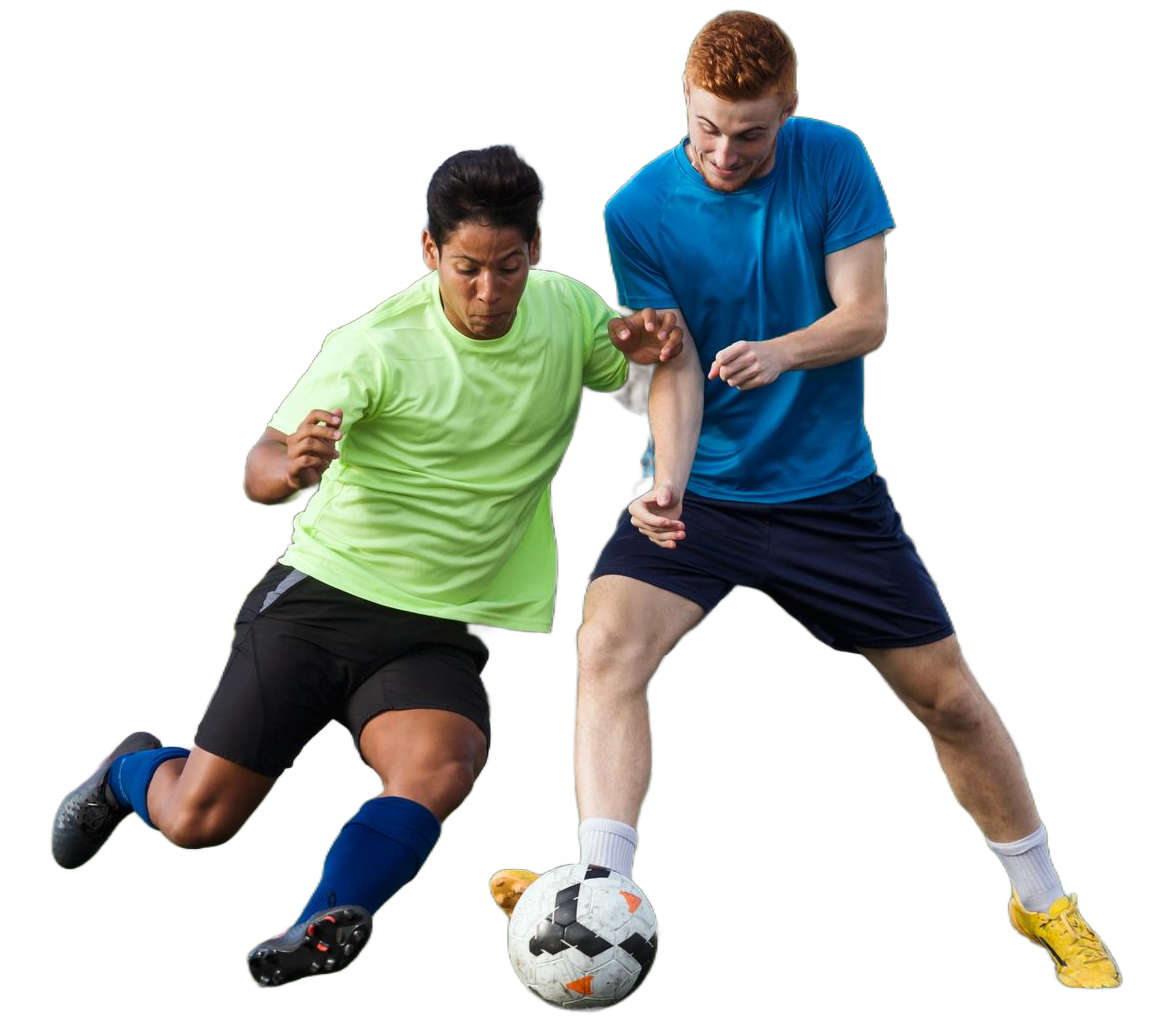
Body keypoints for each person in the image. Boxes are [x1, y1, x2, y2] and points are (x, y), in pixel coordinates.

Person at [490, 14, 1121, 991]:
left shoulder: (835, 160)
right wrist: (664, 483)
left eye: (749, 132)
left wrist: (782, 350)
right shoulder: (635, 208)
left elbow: (866, 316)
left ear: (788, 106)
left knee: (949, 699)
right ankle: (603, 891)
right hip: (703, 489)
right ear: (684, 104)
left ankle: (1042, 901)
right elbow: (673, 362)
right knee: (608, 648)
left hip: (830, 496)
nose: (724, 152)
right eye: (706, 127)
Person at [49, 141, 684, 988]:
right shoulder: (378, 345)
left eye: (509, 266)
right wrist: (296, 467)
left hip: (438, 631)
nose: (489, 292)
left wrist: (653, 350)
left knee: (443, 765)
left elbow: (637, 393)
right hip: (321, 605)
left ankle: (322, 920)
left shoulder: (567, 312)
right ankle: (128, 768)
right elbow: (261, 467)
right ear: (430, 250)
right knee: (197, 822)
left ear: (537, 248)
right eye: (467, 268)